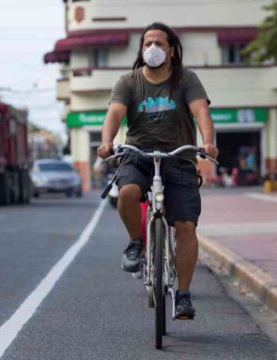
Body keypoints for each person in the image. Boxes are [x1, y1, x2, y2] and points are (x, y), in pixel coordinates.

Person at [97, 22, 218, 319]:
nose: (153, 48)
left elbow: (201, 110)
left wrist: (209, 142)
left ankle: (184, 295)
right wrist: (106, 142)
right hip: (138, 155)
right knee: (126, 192)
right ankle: (135, 244)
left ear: (172, 50)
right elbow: (114, 112)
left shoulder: (186, 79)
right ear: (141, 48)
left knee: (187, 226)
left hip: (178, 158)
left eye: (160, 44)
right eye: (147, 43)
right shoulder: (129, 81)